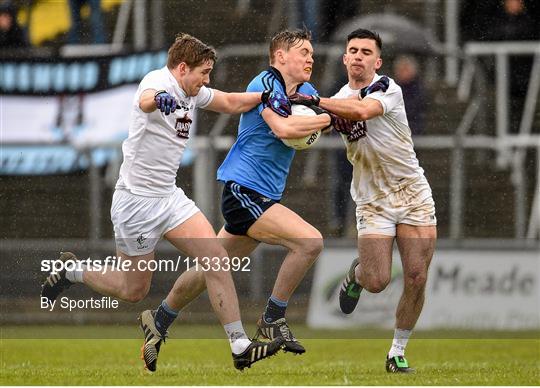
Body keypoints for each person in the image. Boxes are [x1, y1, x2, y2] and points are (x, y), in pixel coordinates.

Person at [40, 33, 291, 372]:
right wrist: (160, 100)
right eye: (203, 72)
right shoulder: (158, 81)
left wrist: (265, 95)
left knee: (216, 257)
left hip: (169, 198)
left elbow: (231, 102)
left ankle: (240, 345)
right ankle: (71, 272)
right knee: (133, 290)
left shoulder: (194, 91)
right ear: (182, 68)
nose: (207, 80)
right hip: (135, 204)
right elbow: (146, 99)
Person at [135, 27, 357, 367]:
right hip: (243, 190)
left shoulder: (308, 92)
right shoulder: (265, 84)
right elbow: (285, 130)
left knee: (209, 266)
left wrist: (326, 117)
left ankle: (159, 320)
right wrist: (327, 117)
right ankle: (272, 318)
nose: (311, 58)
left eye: (312, 53)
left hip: (263, 193)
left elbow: (310, 124)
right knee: (310, 242)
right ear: (281, 56)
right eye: (304, 52)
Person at [290, 28, 437, 373]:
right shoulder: (339, 97)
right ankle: (356, 276)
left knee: (416, 276)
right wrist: (287, 120)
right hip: (372, 200)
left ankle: (397, 351)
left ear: (378, 61)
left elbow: (361, 111)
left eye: (366, 51)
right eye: (352, 50)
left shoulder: (388, 88)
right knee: (377, 281)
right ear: (344, 58)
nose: (358, 55)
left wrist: (313, 101)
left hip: (413, 194)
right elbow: (317, 125)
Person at [392, 55, 425, 135]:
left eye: (405, 70)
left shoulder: (417, 89)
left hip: (413, 127)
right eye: (400, 70)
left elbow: (413, 108)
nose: (402, 73)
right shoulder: (392, 87)